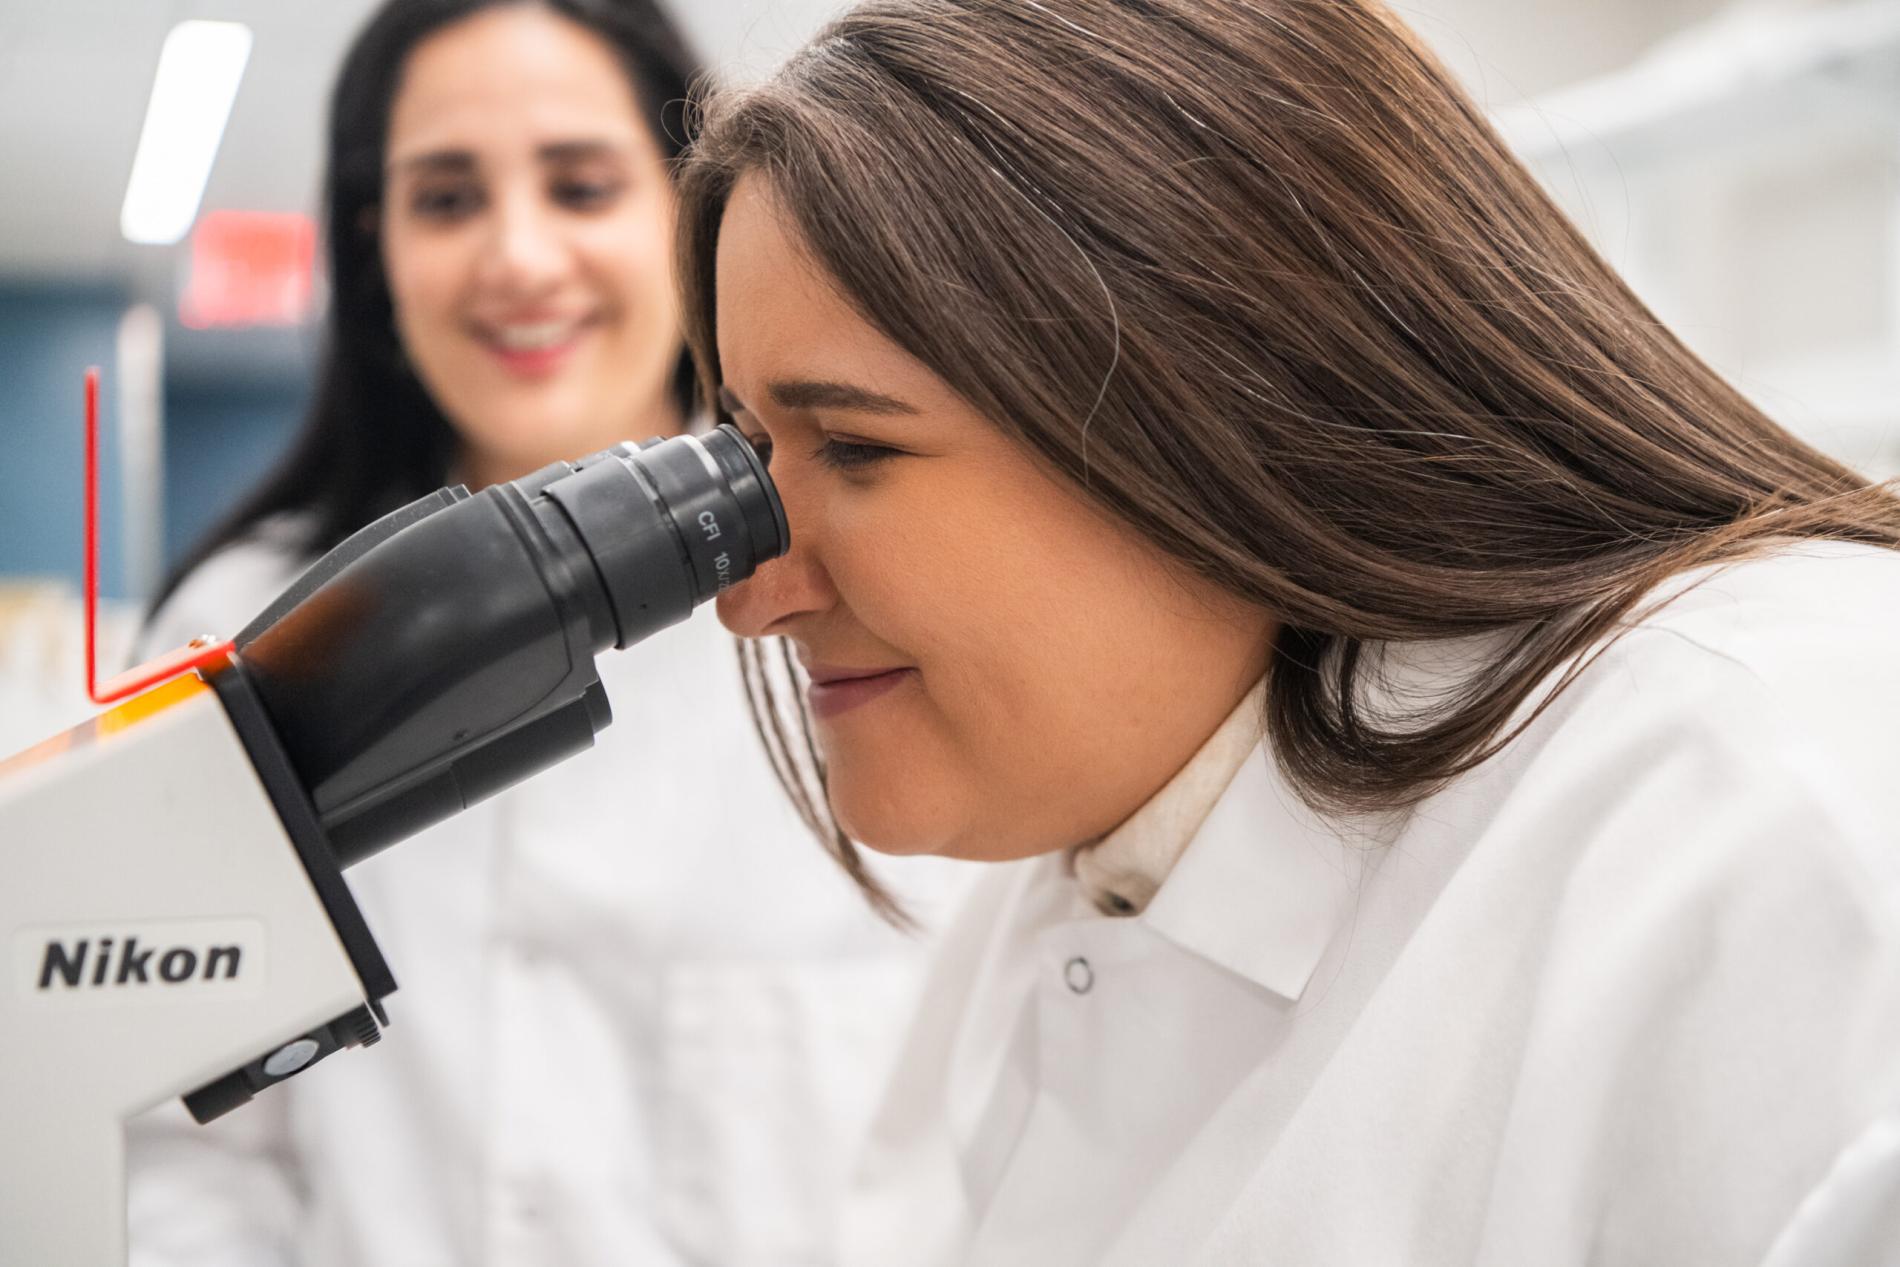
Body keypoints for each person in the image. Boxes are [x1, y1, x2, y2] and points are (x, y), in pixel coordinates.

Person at [676, 1, 1900, 1263]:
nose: (748, 594)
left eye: (858, 446)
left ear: (1217, 394)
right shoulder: (1069, 876)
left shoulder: (1771, 808)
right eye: (755, 451)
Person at [128, 3, 948, 1264]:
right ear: (377, 247)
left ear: (689, 220)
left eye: (579, 186)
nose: (517, 256)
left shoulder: (874, 604)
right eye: (447, 200)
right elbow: (179, 1137)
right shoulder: (233, 632)